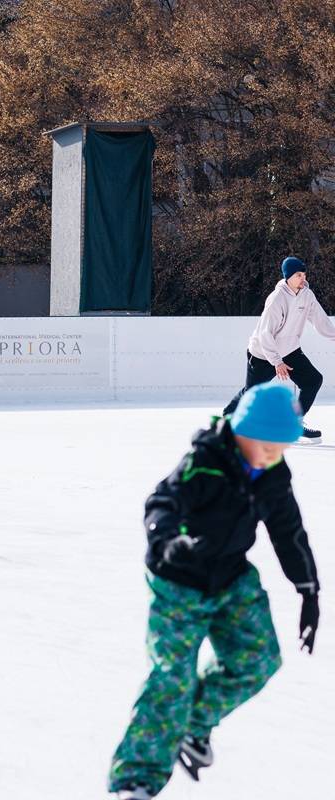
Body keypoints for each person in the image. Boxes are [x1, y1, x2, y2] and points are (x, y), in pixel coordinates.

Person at [108, 383, 320, 799]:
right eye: (267, 446)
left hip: (230, 577)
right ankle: (135, 780)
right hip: (178, 582)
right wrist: (167, 541)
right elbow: (161, 502)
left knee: (258, 659)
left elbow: (288, 530)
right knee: (172, 679)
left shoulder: (273, 473)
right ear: (243, 432)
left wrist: (308, 590)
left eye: (281, 448)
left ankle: (192, 727)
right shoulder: (204, 461)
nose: (273, 456)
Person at [222, 255, 335, 443]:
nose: (303, 278)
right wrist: (277, 362)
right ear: (288, 276)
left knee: (313, 380)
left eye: (304, 274)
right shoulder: (277, 299)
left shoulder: (307, 295)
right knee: (252, 394)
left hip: (290, 349)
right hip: (263, 353)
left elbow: (321, 321)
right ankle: (228, 417)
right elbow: (265, 333)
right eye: (298, 275)